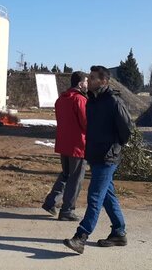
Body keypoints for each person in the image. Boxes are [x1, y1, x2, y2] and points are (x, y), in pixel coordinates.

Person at [64, 65, 134, 255]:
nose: (89, 80)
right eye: (89, 77)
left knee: (95, 196)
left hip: (108, 156)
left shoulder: (113, 101)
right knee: (108, 196)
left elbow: (127, 129)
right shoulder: (91, 102)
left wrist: (115, 146)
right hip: (95, 155)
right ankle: (119, 232)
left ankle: (81, 236)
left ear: (103, 81)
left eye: (93, 77)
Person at [42, 71, 88, 221]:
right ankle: (67, 209)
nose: (88, 84)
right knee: (76, 178)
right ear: (81, 84)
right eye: (86, 82)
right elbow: (86, 123)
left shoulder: (61, 99)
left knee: (66, 174)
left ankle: (51, 202)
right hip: (78, 145)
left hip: (64, 143)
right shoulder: (80, 100)